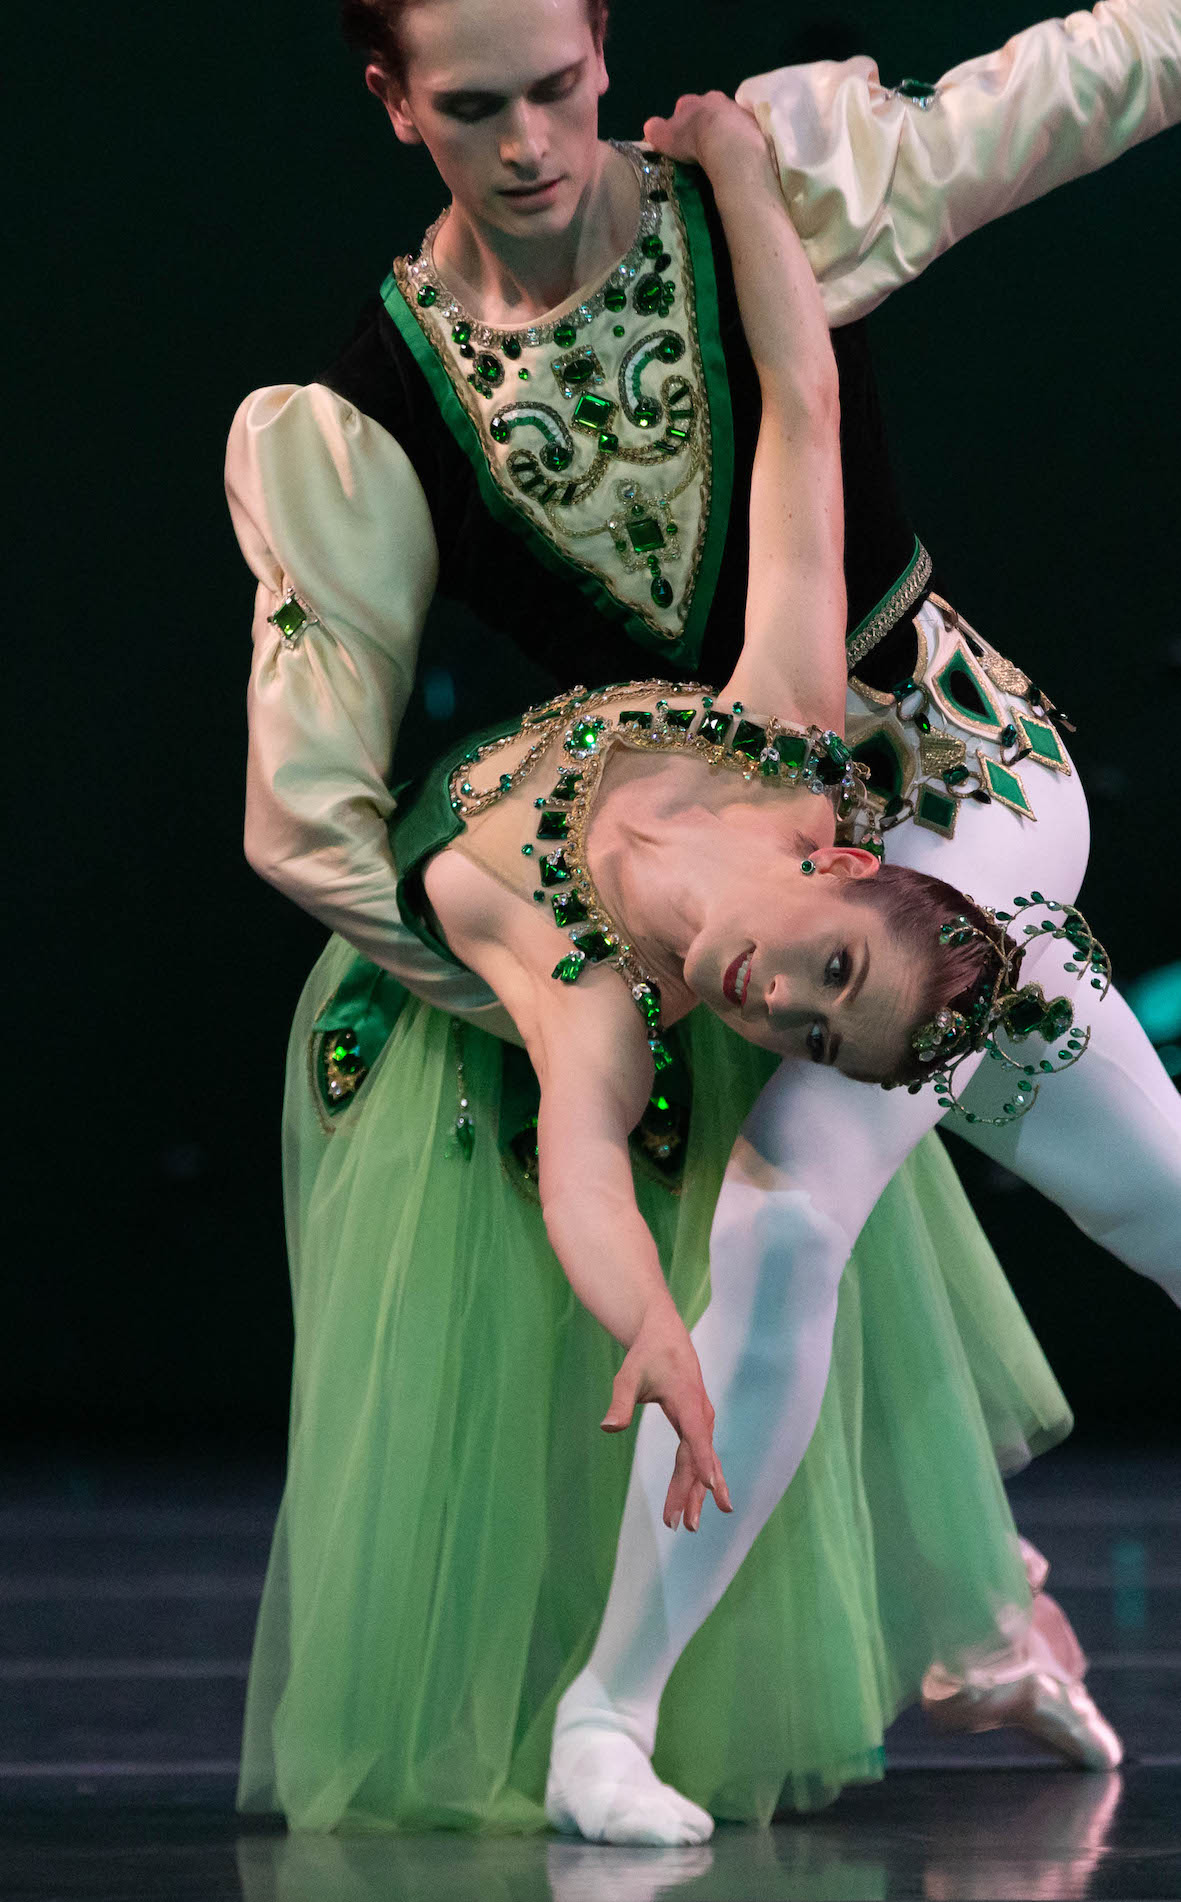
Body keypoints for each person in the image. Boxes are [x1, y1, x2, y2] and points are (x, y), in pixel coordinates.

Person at [224, 0, 1181, 1837]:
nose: (527, 145)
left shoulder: (770, 190)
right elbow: (305, 813)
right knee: (806, 1180)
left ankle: (619, 1709)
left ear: (604, 46)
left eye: (563, 91)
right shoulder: (368, 413)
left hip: (945, 794)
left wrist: (742, 179)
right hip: (712, 878)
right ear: (390, 101)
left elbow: (1020, 136)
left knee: (811, 1197)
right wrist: (529, 974)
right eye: (471, 107)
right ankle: (938, 1621)